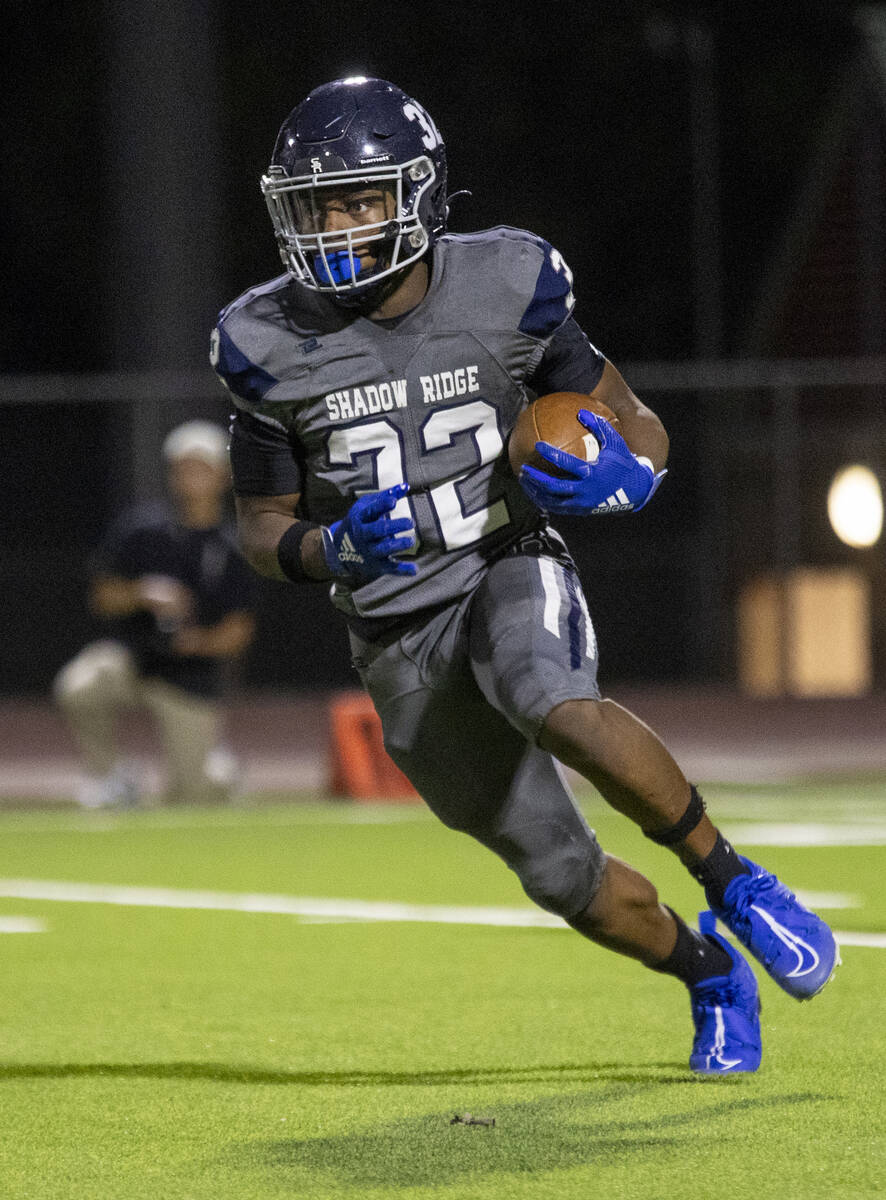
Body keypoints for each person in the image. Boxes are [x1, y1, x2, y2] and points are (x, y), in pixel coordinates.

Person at [212, 76, 838, 1073]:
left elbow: (635, 420)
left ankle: (735, 881)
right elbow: (259, 525)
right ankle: (708, 974)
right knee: (556, 871)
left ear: (418, 194)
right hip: (394, 634)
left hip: (504, 557)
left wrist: (634, 472)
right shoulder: (261, 341)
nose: (334, 227)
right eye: (317, 207)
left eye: (360, 200)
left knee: (550, 696)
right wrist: (327, 550)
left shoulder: (506, 281)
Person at [54, 420, 258, 807]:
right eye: (182, 467)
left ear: (222, 476)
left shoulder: (232, 546)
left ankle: (216, 772)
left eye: (202, 467)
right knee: (80, 685)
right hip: (136, 659)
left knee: (190, 796)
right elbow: (102, 597)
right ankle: (111, 775)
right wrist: (141, 592)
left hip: (191, 677)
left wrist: (197, 642)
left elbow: (239, 629)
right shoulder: (141, 530)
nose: (190, 477)